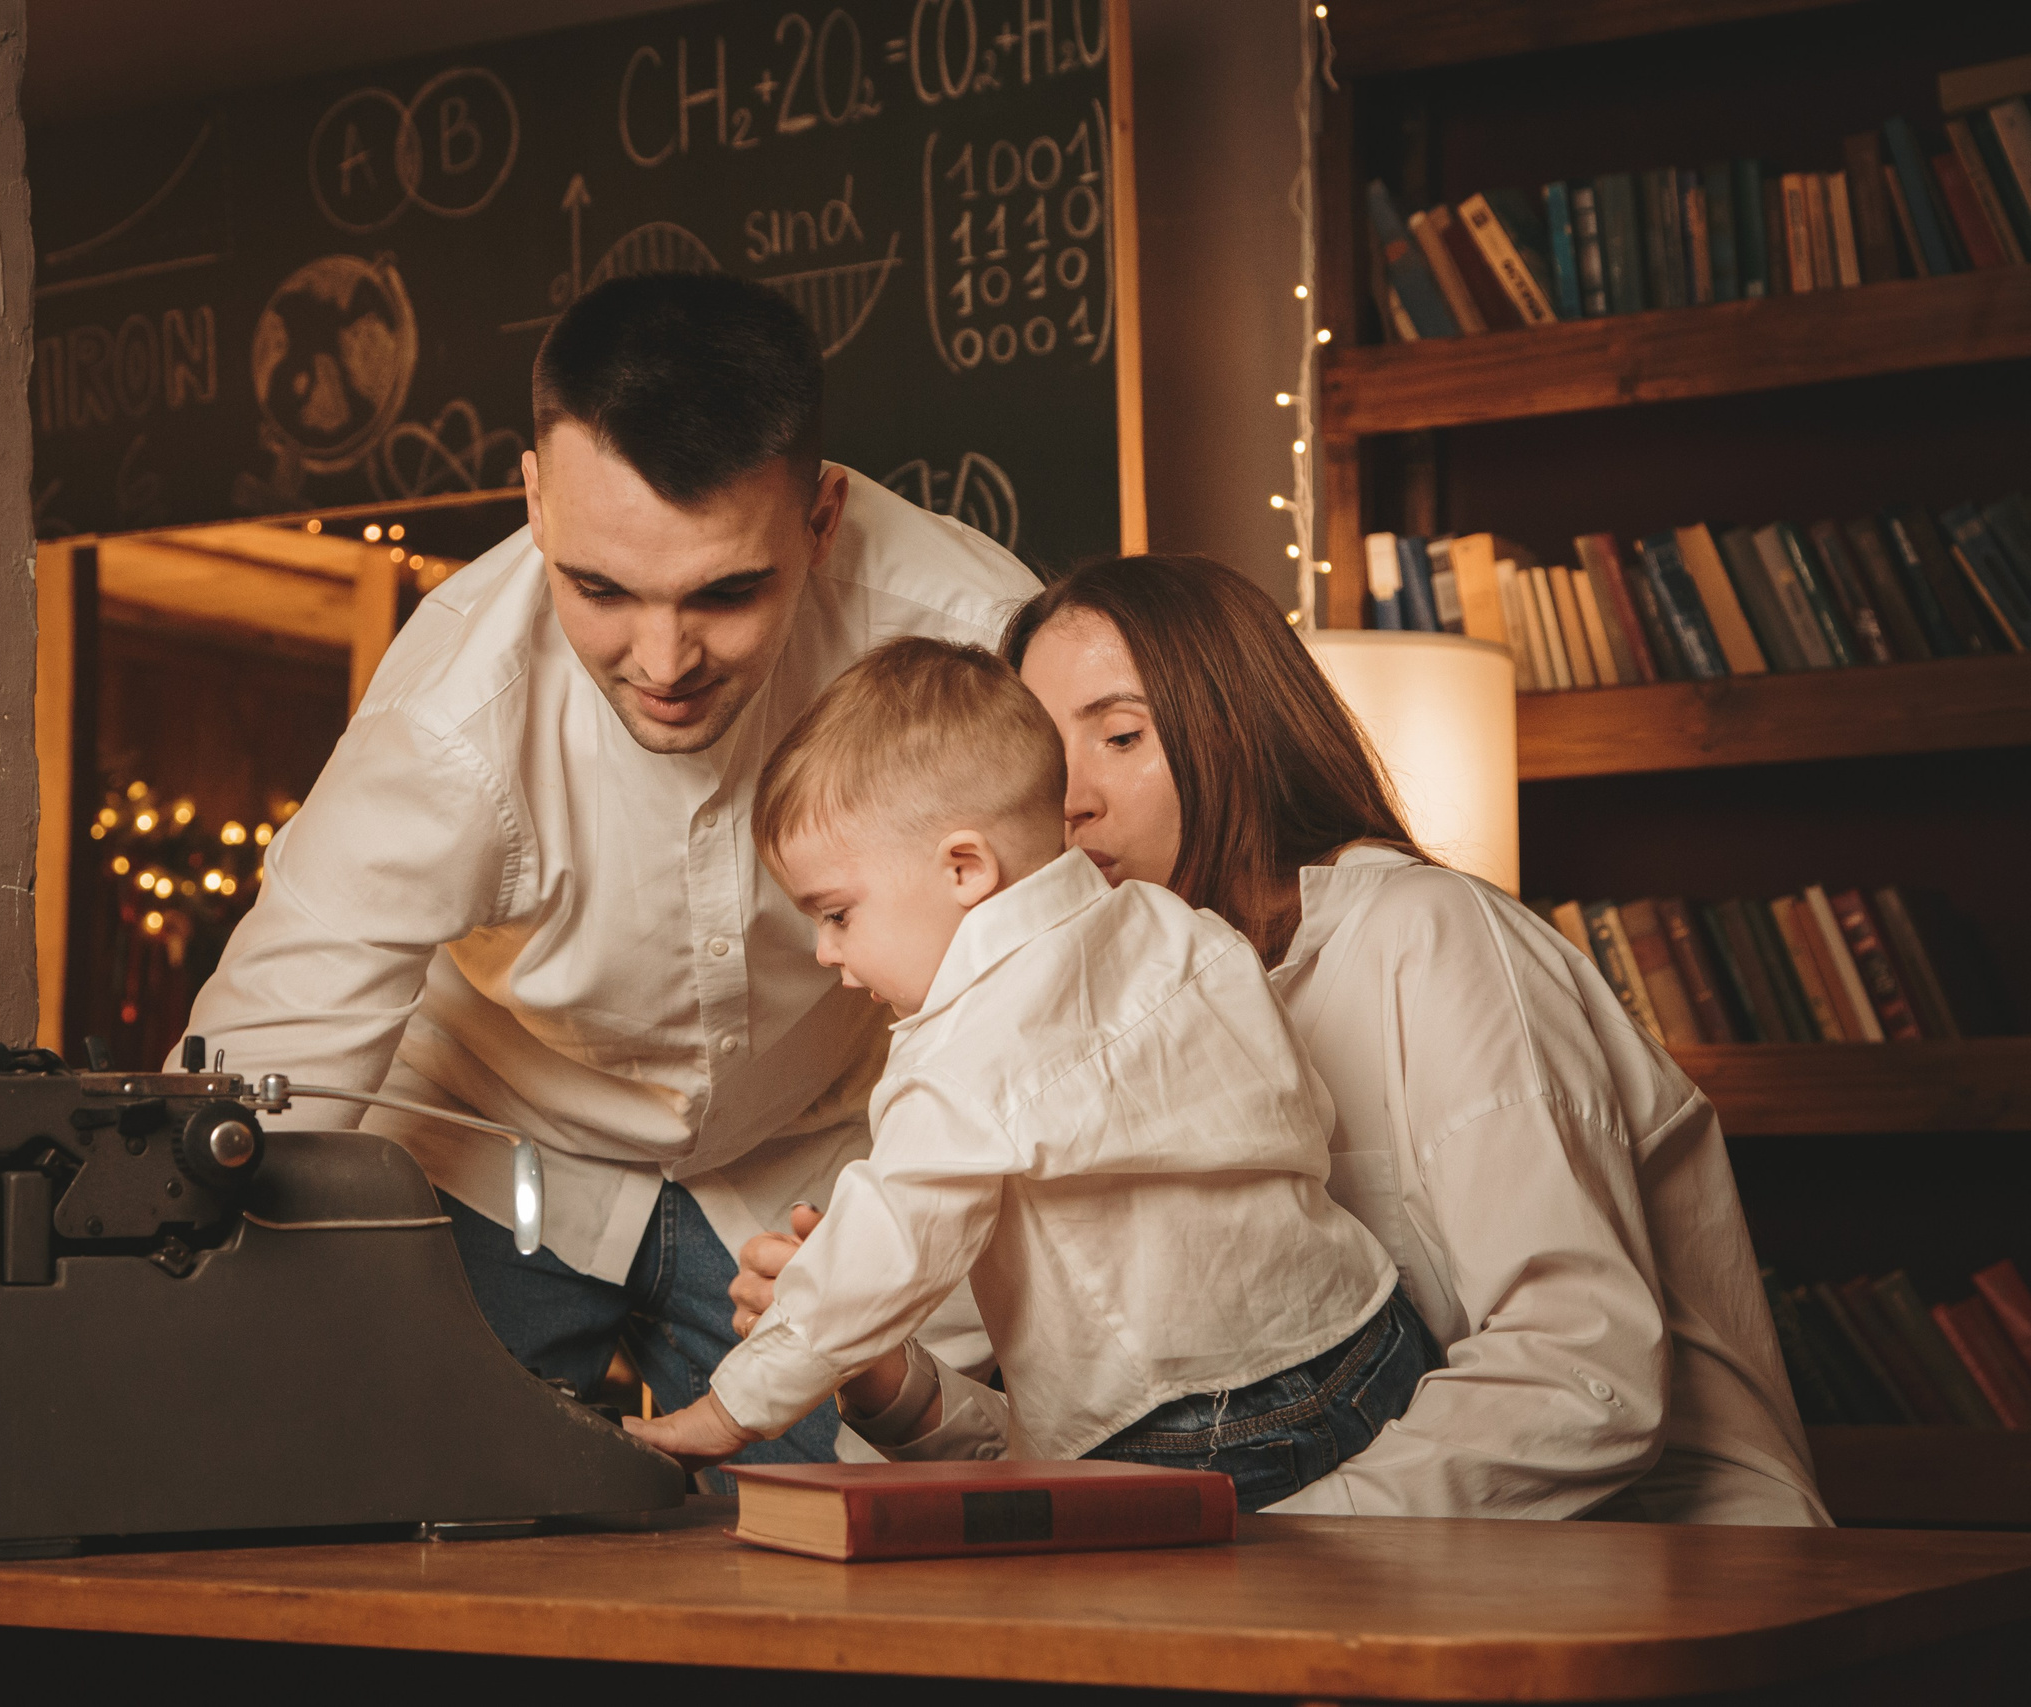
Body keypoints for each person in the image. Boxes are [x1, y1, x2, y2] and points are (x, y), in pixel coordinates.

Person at [731, 556, 1829, 1522]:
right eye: (1029, 751)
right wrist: (886, 1376)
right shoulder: (1047, 1034)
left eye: (1120, 735)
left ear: (1234, 730)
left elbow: (1580, 1376)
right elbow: (1118, 1446)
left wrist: (1259, 1548)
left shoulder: (1427, 935)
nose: (1064, 798)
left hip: (1669, 1573)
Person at [175, 272, 1037, 1462]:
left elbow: (1061, 993)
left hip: (823, 1163)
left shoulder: (977, 641)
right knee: (427, 1536)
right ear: (533, 499)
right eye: (600, 590)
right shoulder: (446, 718)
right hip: (496, 1146)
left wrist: (921, 1337)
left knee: (840, 1587)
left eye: (727, 592)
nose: (664, 659)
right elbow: (274, 1051)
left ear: (822, 518)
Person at [626, 639, 1435, 1510]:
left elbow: (886, 1249)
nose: (827, 952)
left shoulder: (958, 1051)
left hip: (1181, 1423)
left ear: (965, 869)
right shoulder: (1176, 927)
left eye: (836, 913)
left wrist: (725, 1409)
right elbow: (1302, 1109)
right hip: (1368, 1338)